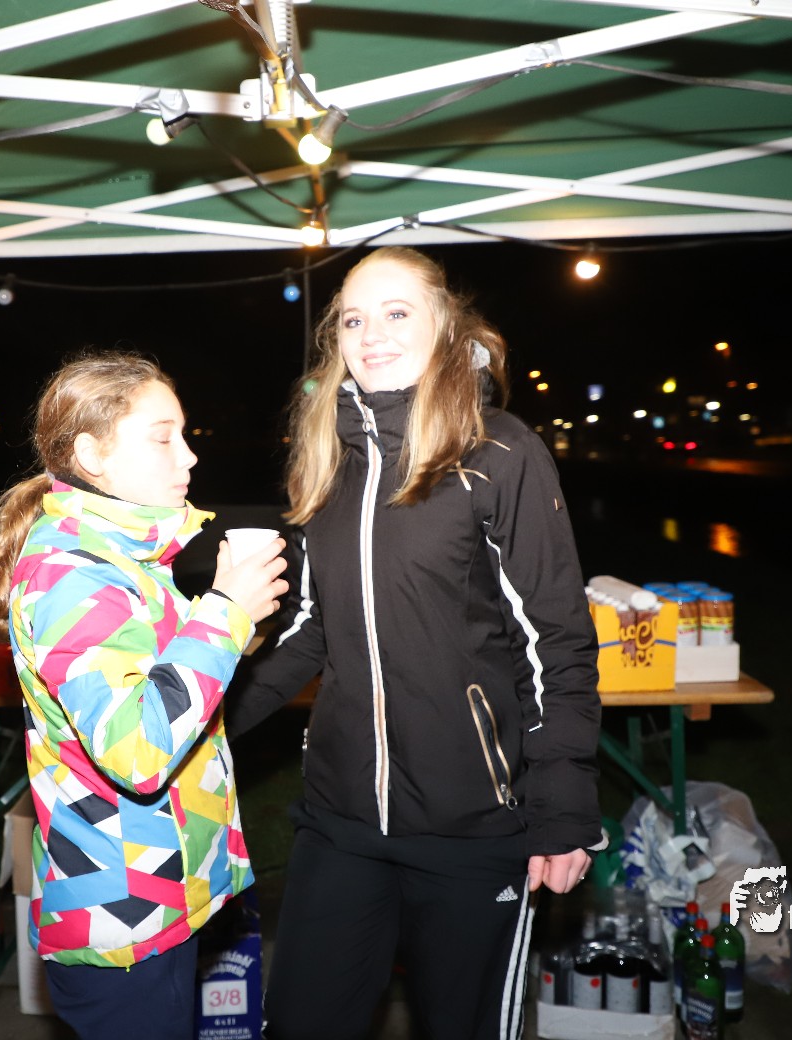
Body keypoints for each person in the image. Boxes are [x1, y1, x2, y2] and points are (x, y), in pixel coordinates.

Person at [226, 247, 605, 1040]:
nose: (372, 335)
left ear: (445, 326)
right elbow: (312, 628)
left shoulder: (500, 453)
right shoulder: (329, 460)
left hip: (473, 824)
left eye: (397, 313)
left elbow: (557, 641)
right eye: (353, 320)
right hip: (341, 820)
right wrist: (198, 723)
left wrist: (563, 801)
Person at [0, 352, 287, 1039]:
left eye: (185, 434)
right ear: (92, 456)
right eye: (163, 437)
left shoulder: (120, 558)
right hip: (123, 917)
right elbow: (137, 749)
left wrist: (236, 626)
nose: (190, 456)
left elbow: (159, 675)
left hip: (153, 898)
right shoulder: (73, 573)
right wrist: (225, 612)